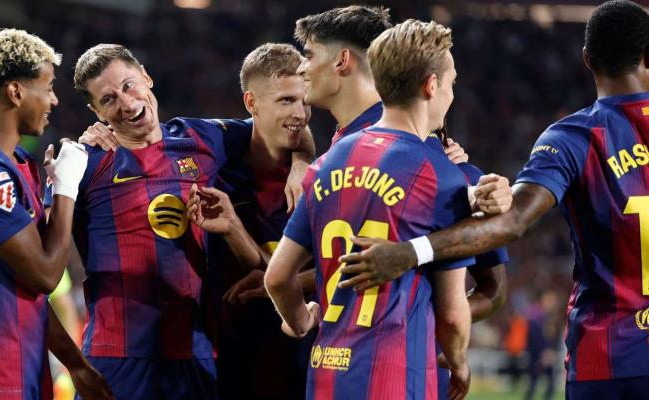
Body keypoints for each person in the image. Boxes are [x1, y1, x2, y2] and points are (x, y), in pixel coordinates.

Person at [338, 1, 649, 398]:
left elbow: (511, 222)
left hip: (609, 359)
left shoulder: (574, 137)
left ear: (587, 59)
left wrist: (409, 252)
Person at [46, 43, 313, 399]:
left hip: (196, 355)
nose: (126, 103)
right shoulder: (84, 162)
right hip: (116, 361)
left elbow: (287, 122)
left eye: (128, 85)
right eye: (108, 99)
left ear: (146, 77)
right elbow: (39, 270)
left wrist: (301, 163)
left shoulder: (201, 137)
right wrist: (73, 362)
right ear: (96, 111)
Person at [265, 19, 476, 400]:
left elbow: (278, 277)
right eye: (452, 83)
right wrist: (459, 363)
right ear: (431, 85)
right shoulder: (441, 173)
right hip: (396, 378)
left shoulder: (327, 163)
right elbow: (451, 312)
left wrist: (301, 320)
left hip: (325, 377)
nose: (451, 93)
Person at [0, 29, 111, 399]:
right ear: (16, 92)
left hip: (25, 367)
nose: (54, 100)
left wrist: (75, 364)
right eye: (47, 87)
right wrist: (65, 189)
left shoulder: (16, 163)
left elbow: (30, 295)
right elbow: (46, 276)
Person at [186, 42, 313, 399]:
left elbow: (333, 275)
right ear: (251, 103)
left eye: (304, 101)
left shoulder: (323, 177)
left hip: (301, 365)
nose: (300, 113)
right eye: (286, 101)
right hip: (227, 366)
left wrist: (303, 159)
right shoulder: (214, 172)